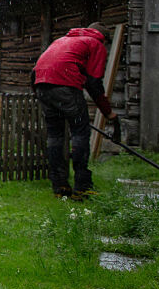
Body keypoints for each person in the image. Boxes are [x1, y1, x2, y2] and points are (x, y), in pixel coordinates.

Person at [32, 22, 118, 199]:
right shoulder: (96, 44)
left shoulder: (62, 40)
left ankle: (60, 186)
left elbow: (35, 71)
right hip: (65, 86)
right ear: (104, 37)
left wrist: (44, 94)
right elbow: (93, 82)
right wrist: (108, 112)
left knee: (55, 136)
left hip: (42, 85)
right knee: (80, 132)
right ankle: (82, 187)